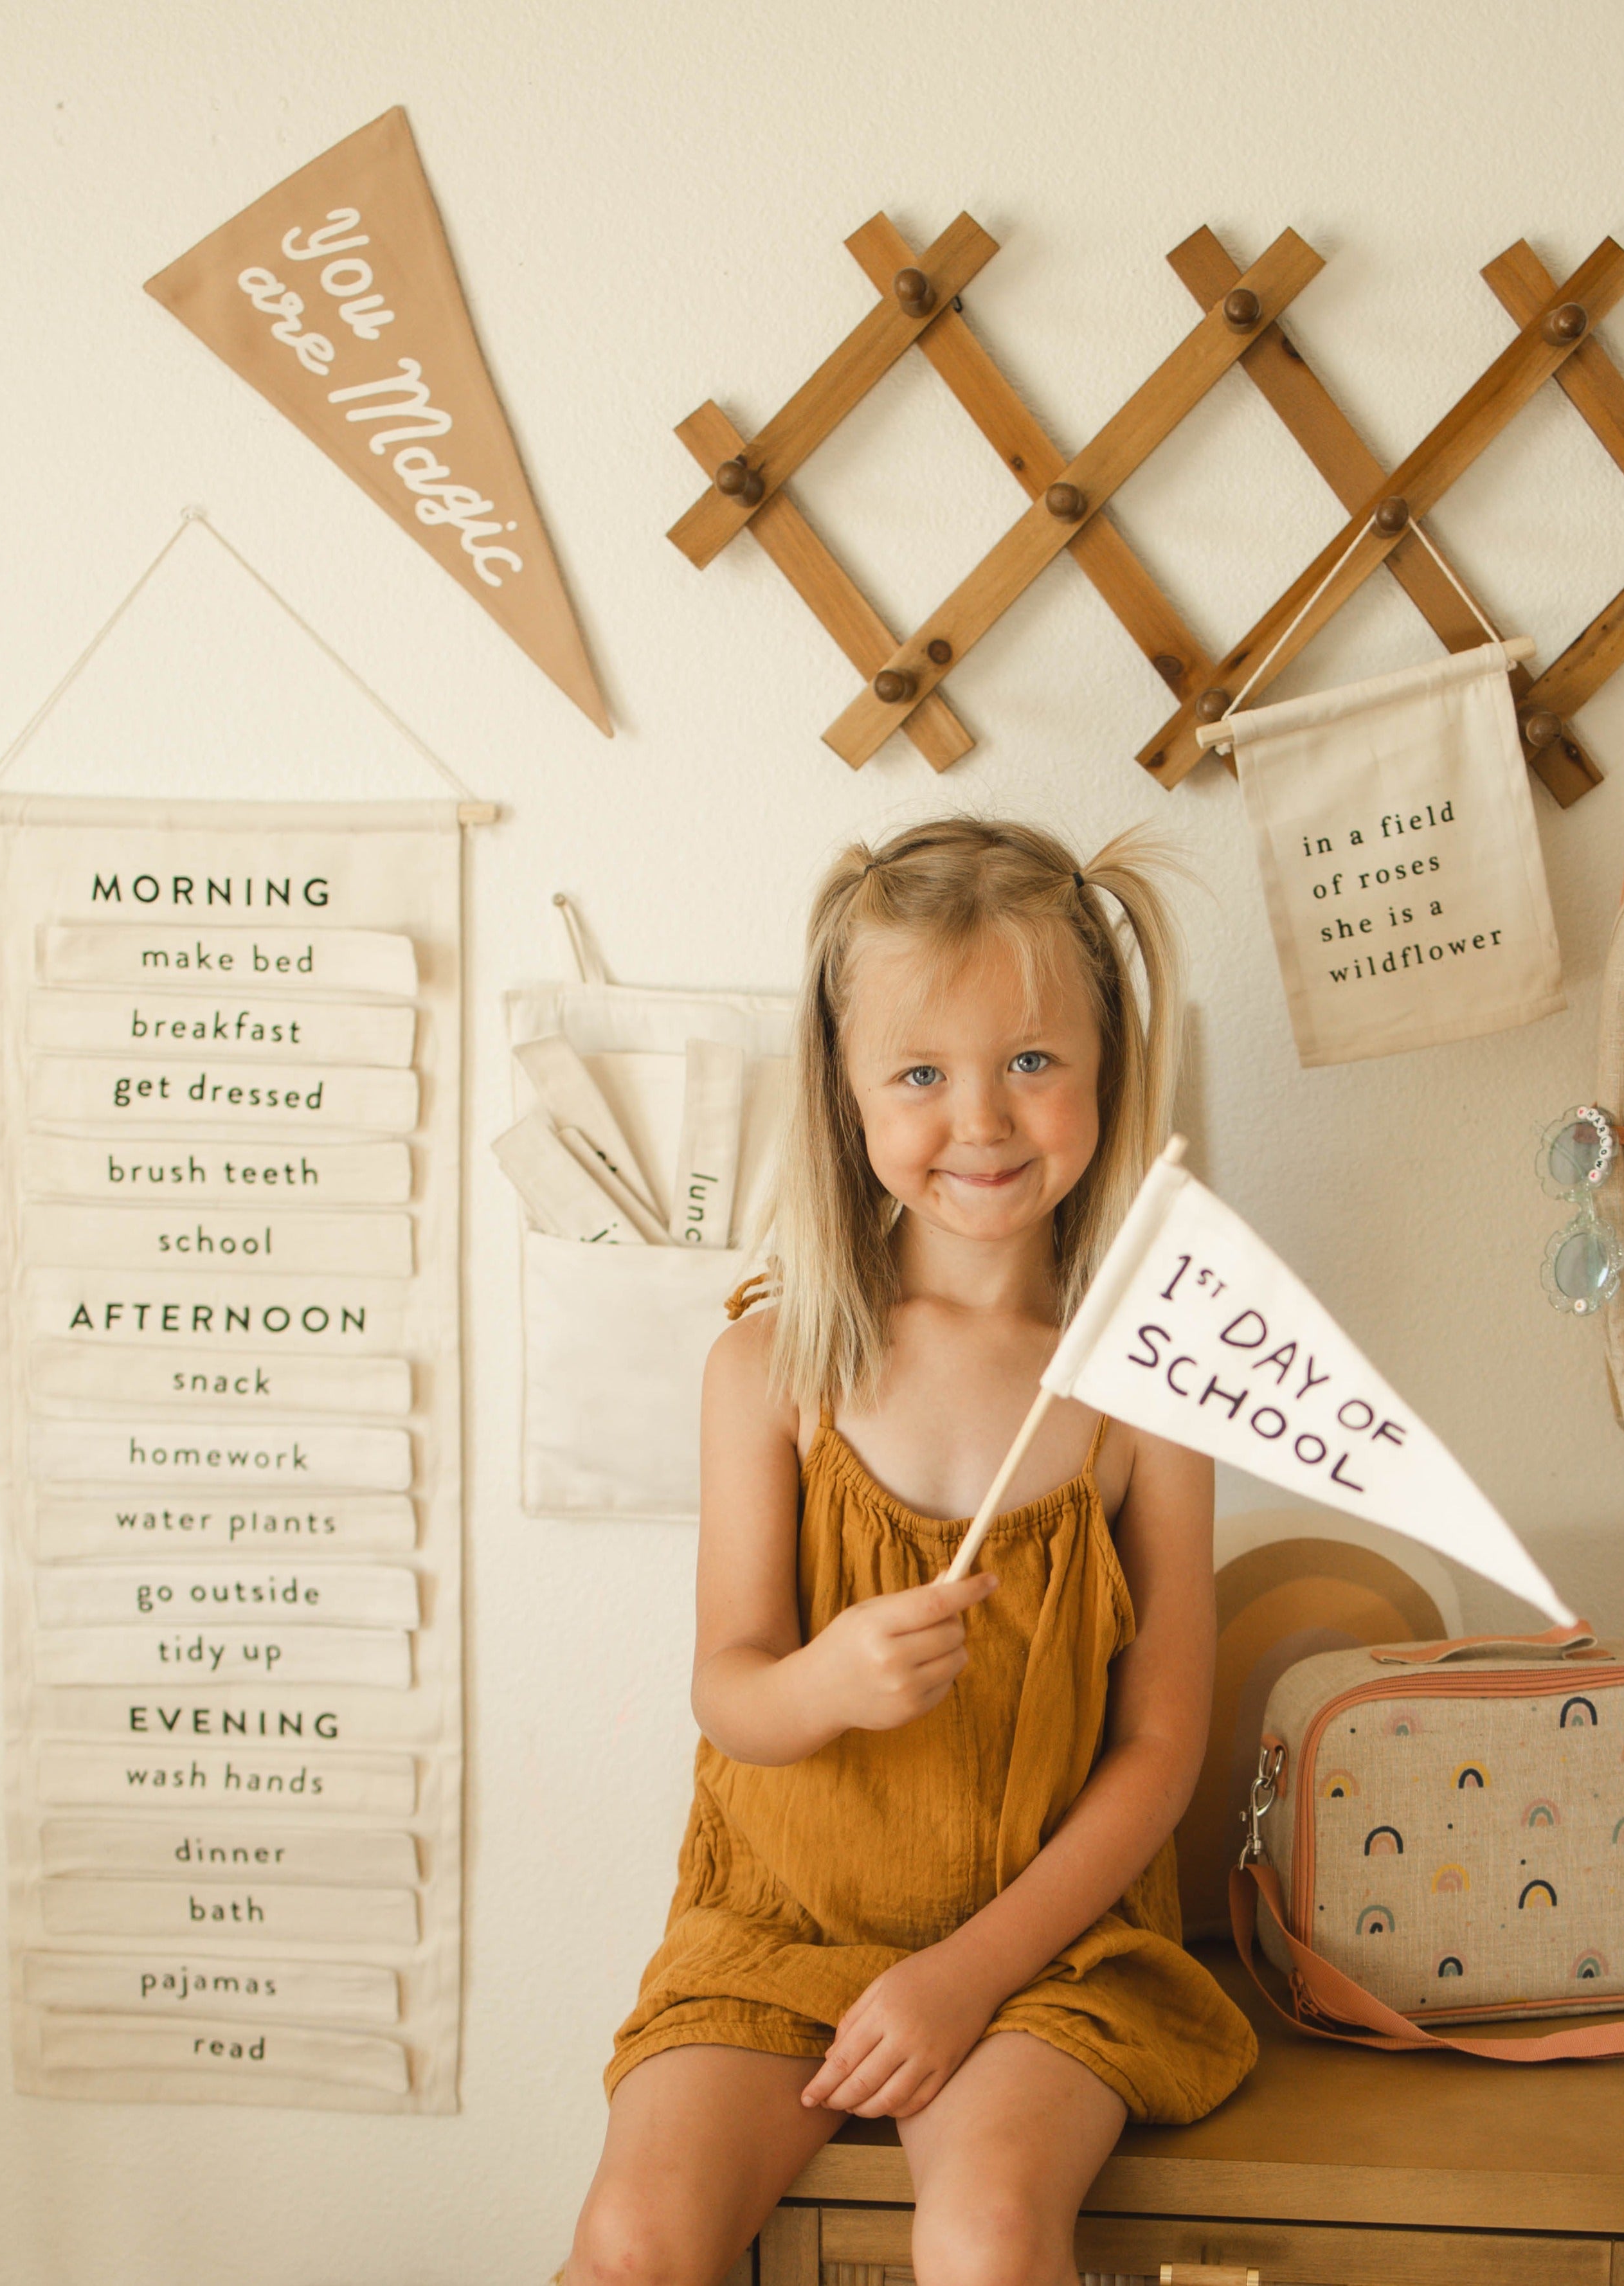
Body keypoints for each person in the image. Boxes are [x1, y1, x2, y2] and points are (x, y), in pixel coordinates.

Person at [563, 818, 1256, 2286]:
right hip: (777, 1922)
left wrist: (961, 1975)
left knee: (988, 2228)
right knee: (631, 2237)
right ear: (848, 1092)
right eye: (921, 1073)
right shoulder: (769, 1367)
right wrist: (823, 1680)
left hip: (1043, 1954)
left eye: (1031, 1060)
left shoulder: (1146, 1386)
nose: (984, 1119)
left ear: (1108, 1068)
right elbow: (728, 1691)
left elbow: (1162, 1746)